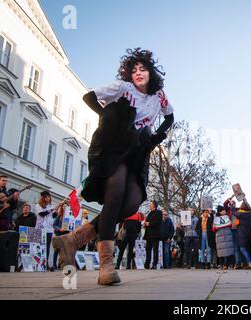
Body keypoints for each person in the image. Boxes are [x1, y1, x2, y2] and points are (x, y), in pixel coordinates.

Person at [52, 48, 174, 285]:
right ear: (129, 74)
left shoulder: (159, 96)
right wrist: (108, 116)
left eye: (143, 69)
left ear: (151, 72)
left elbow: (170, 117)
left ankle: (73, 240)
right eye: (134, 69)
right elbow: (88, 97)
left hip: (139, 151)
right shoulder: (122, 87)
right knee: (115, 196)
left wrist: (157, 134)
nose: (138, 73)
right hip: (114, 147)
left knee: (131, 203)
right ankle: (106, 266)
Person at [36, 191, 62, 271]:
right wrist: (53, 209)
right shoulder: (38, 205)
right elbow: (42, 214)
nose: (48, 198)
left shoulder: (51, 206)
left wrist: (58, 209)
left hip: (49, 229)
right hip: (41, 228)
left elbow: (54, 216)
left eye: (49, 196)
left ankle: (45, 264)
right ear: (42, 198)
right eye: (46, 197)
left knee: (47, 247)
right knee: (39, 246)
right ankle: (38, 263)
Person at [213, 205, 235, 271]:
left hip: (227, 234)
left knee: (228, 250)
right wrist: (215, 227)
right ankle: (222, 264)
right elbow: (213, 229)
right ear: (220, 212)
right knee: (221, 251)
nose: (224, 211)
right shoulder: (216, 218)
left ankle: (228, 264)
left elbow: (230, 224)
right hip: (220, 235)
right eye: (223, 210)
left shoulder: (227, 217)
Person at [234, 199, 251, 269]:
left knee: (242, 249)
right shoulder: (249, 214)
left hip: (242, 234)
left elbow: (234, 212)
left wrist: (232, 206)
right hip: (248, 234)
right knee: (246, 249)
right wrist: (245, 200)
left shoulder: (241, 214)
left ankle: (249, 262)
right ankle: (246, 263)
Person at [143, 201, 162, 269]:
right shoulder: (149, 213)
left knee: (155, 250)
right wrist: (145, 224)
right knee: (148, 250)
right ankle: (147, 264)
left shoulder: (159, 212)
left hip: (155, 234)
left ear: (154, 205)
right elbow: (147, 222)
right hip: (148, 234)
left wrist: (149, 224)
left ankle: (154, 264)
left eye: (150, 204)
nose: (149, 206)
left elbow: (157, 222)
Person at [224, 196, 241, 269]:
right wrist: (230, 198)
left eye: (233, 203)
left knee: (236, 247)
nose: (232, 204)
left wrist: (241, 197)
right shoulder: (228, 211)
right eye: (231, 204)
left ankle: (237, 263)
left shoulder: (238, 210)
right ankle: (229, 263)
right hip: (229, 230)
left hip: (236, 230)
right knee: (229, 247)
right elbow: (225, 203)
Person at [52, 203, 70, 271]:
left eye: (66, 206)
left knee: (66, 250)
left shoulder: (70, 216)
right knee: (57, 249)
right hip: (59, 234)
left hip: (67, 234)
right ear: (62, 208)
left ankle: (62, 265)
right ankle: (54, 265)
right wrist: (59, 229)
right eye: (63, 206)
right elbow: (54, 225)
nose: (64, 208)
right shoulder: (59, 216)